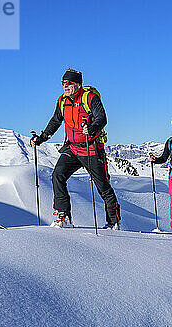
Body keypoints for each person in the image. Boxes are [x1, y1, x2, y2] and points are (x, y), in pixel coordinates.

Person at [31, 67, 120, 229]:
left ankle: (113, 222)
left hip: (91, 148)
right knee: (57, 175)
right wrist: (41, 138)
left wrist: (92, 128)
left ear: (78, 85)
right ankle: (63, 216)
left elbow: (102, 118)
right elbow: (55, 121)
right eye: (63, 83)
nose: (65, 86)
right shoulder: (62, 101)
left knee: (103, 186)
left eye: (69, 83)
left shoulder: (90, 98)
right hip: (72, 148)